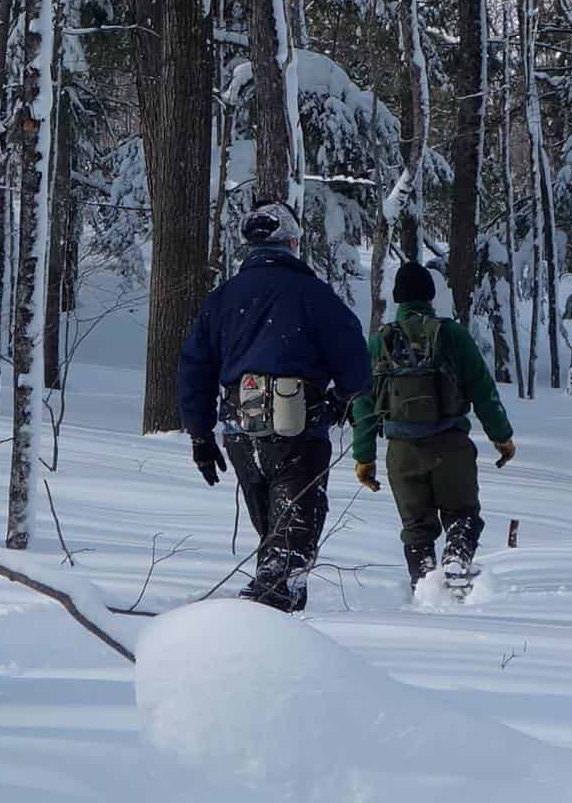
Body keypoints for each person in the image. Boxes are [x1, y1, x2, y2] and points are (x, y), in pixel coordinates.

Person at [176, 204, 373, 611]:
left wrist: (200, 435)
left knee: (272, 534)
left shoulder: (223, 298)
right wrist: (343, 396)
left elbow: (194, 365)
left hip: (240, 433)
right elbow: (354, 352)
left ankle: (276, 619)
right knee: (290, 543)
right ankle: (267, 621)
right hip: (298, 431)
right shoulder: (313, 294)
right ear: (292, 243)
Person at [351, 262, 517, 590]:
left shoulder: (379, 342)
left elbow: (363, 405)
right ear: (430, 296)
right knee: (462, 514)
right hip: (450, 445)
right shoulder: (451, 334)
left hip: (402, 452)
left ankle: (425, 583)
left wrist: (364, 458)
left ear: (398, 299)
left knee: (416, 527)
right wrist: (502, 438)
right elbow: (483, 389)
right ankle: (455, 563)